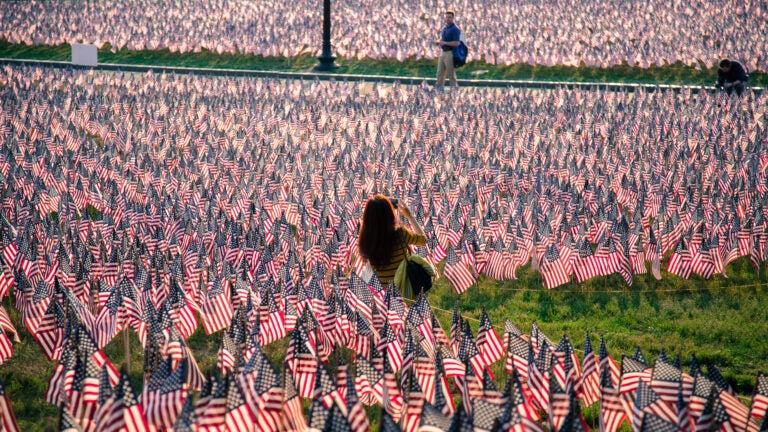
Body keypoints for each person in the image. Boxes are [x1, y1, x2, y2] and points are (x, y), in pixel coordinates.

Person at [358, 195, 426, 287]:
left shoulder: (366, 239)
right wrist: (409, 216)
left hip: (381, 293)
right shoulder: (400, 234)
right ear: (389, 213)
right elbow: (423, 239)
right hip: (403, 290)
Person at [435, 9, 461, 90]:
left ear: (453, 18)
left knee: (451, 73)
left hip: (450, 53)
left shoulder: (455, 29)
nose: (447, 19)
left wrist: (445, 43)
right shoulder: (445, 28)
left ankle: (454, 90)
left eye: (449, 17)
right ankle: (439, 88)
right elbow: (443, 39)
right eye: (446, 17)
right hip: (443, 52)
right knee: (440, 72)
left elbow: (457, 43)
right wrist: (439, 41)